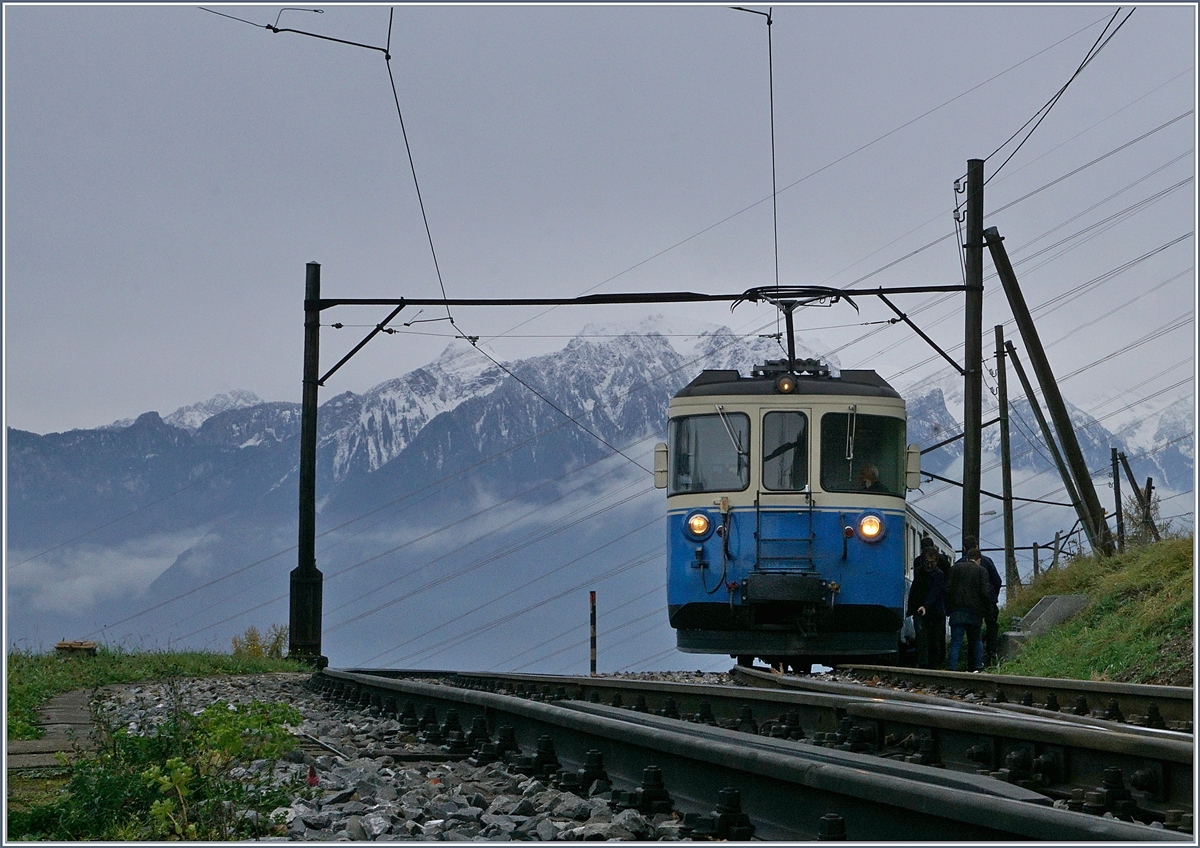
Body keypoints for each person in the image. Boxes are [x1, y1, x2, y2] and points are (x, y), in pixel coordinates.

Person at [946, 548, 991, 671]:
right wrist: (985, 610)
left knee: (955, 642)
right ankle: (978, 666)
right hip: (974, 612)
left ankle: (952, 668)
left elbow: (948, 589)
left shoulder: (955, 568)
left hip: (957, 611)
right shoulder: (982, 571)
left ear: (967, 557)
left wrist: (949, 608)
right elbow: (985, 592)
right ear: (979, 559)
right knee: (976, 640)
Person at [963, 535, 1002, 666]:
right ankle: (991, 654)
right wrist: (992, 597)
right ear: (977, 546)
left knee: (972, 632)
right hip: (989, 601)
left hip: (969, 604)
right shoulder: (987, 561)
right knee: (991, 627)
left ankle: (971, 660)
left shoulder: (960, 564)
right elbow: (997, 581)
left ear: (964, 548)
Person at [907, 538, 946, 668]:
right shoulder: (921, 572)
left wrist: (925, 606)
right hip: (922, 609)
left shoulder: (939, 575)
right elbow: (915, 590)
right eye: (927, 562)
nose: (929, 565)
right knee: (922, 637)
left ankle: (933, 663)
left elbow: (935, 592)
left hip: (934, 610)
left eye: (932, 562)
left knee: (934, 638)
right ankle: (924, 662)